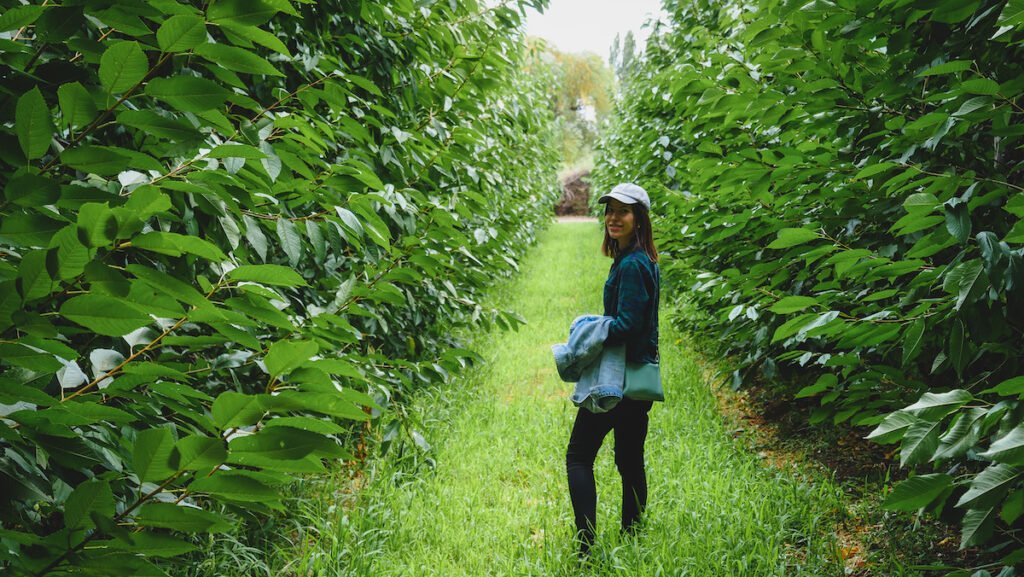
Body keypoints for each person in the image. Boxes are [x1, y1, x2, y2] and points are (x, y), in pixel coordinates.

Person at [566, 182, 660, 557]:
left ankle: (586, 548)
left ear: (639, 219)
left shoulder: (634, 264)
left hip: (618, 378)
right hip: (637, 375)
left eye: (623, 211)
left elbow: (627, 324)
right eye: (609, 211)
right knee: (629, 459)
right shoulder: (635, 259)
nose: (613, 218)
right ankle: (632, 540)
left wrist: (589, 331)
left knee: (578, 456)